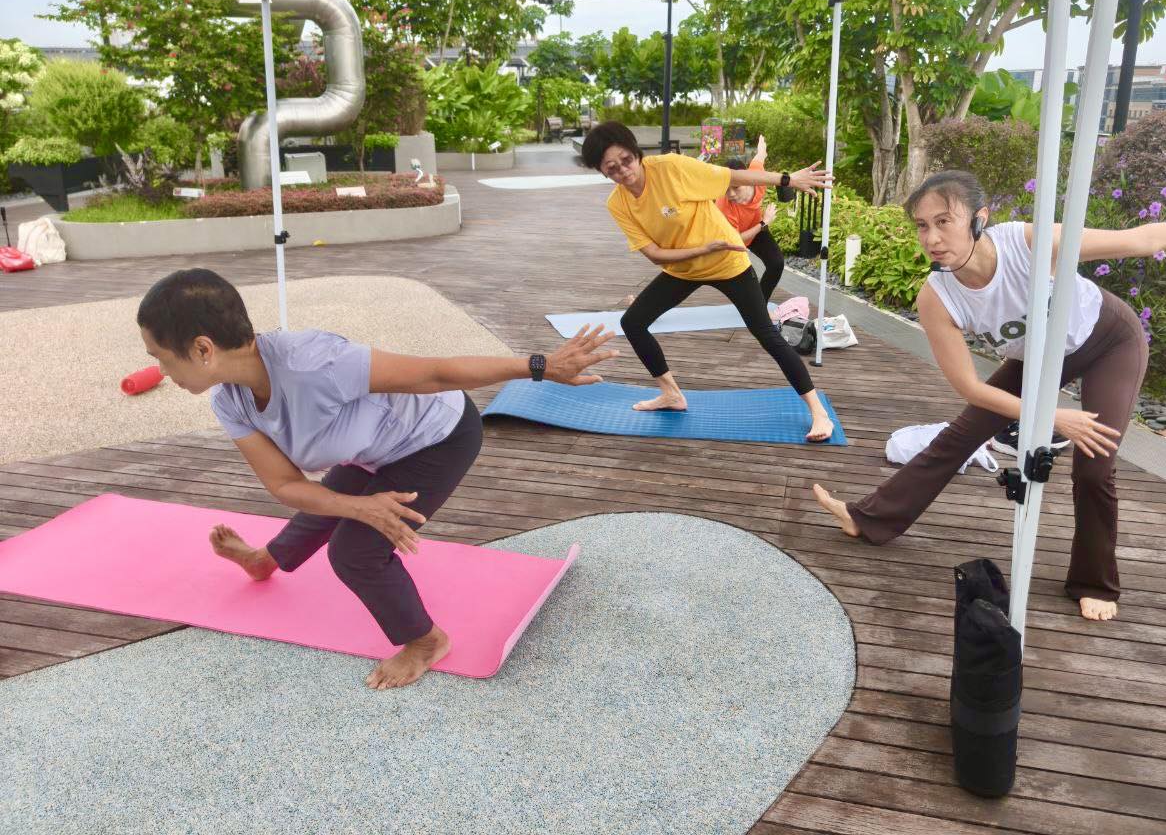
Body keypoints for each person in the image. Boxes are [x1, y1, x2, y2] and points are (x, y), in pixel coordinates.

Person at [811, 171, 1166, 621]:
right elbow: (969, 387)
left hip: (1108, 340)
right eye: (922, 226)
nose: (932, 238)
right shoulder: (938, 298)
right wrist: (1050, 417)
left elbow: (1137, 241)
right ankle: (867, 517)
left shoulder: (1027, 243)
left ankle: (1094, 582)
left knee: (1094, 467)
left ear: (979, 218)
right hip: (1039, 357)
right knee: (959, 436)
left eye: (945, 221)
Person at [136, 269, 616, 689]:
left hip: (436, 438)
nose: (160, 370)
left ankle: (425, 641)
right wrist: (358, 505)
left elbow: (434, 373)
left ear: (202, 349)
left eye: (161, 356)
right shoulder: (230, 400)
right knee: (335, 503)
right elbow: (284, 485)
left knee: (355, 552)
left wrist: (540, 366)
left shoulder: (315, 362)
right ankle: (265, 561)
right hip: (371, 450)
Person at [579, 121, 834, 442]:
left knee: (766, 334)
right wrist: (703, 249)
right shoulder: (618, 203)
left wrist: (787, 179)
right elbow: (655, 254)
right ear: (603, 172)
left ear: (637, 153)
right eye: (611, 168)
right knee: (633, 322)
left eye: (626, 160)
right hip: (683, 268)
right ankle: (671, 394)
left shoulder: (671, 168)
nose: (623, 171)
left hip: (728, 263)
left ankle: (817, 411)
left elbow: (734, 177)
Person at [715, 134, 784, 304]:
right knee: (747, 279)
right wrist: (763, 223)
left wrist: (761, 149)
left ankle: (760, 305)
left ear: (747, 179)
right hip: (731, 242)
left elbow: (759, 158)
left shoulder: (757, 179)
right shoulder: (723, 204)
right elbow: (735, 239)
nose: (731, 194)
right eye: (726, 189)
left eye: (736, 188)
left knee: (776, 264)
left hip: (755, 230)